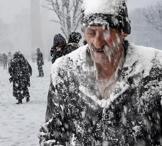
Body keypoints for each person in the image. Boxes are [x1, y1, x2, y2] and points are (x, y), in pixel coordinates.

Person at [40, 0, 162, 145]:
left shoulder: (155, 68)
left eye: (106, 32)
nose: (97, 42)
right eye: (91, 32)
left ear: (123, 32)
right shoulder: (64, 71)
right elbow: (51, 136)